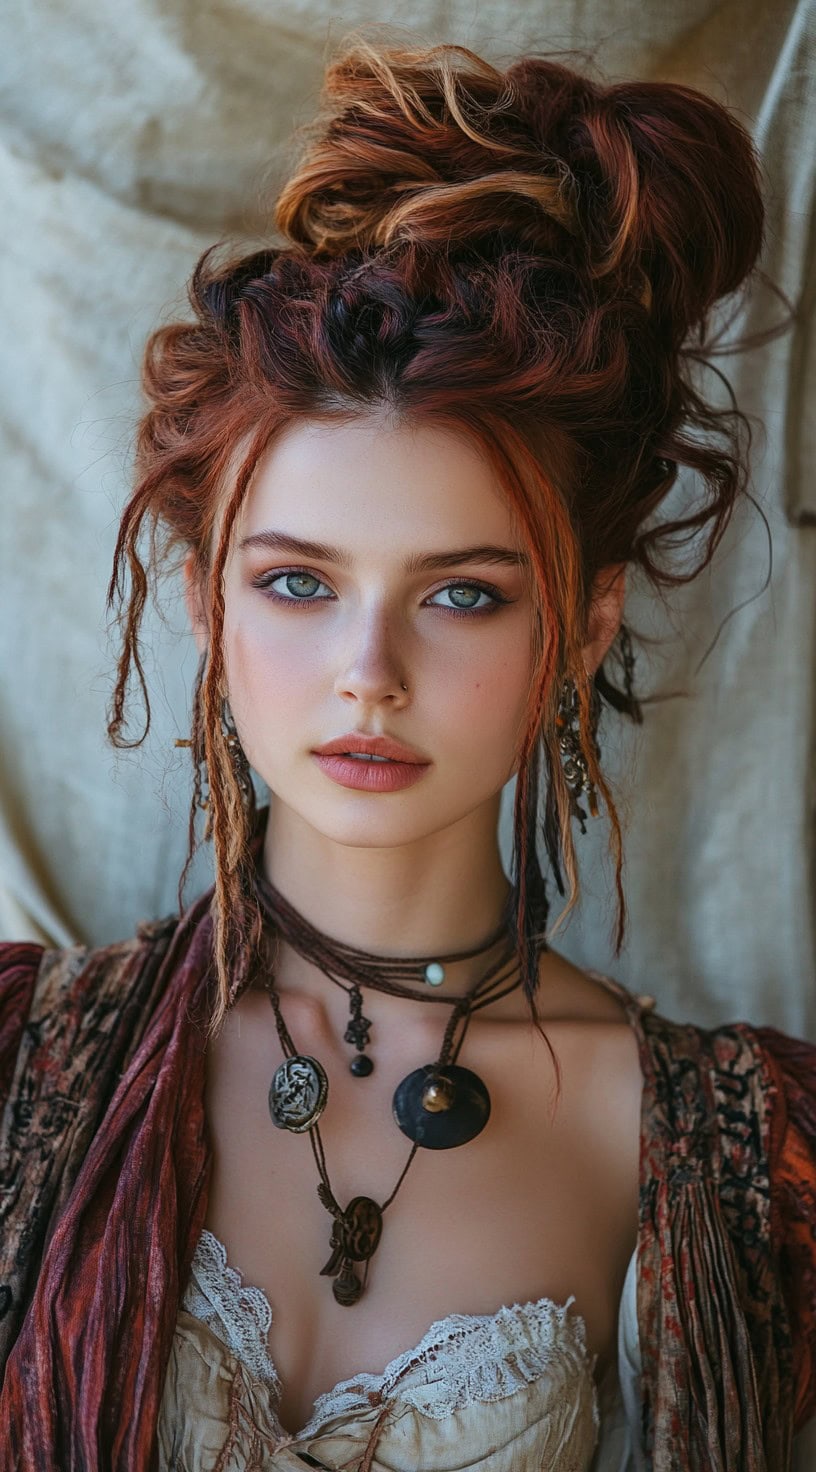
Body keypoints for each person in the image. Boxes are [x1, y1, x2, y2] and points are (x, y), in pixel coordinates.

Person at [0, 34, 813, 1472]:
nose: (368, 676)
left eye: (462, 594)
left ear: (582, 625)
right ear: (206, 602)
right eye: (298, 583)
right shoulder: (26, 1065)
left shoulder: (724, 1154)